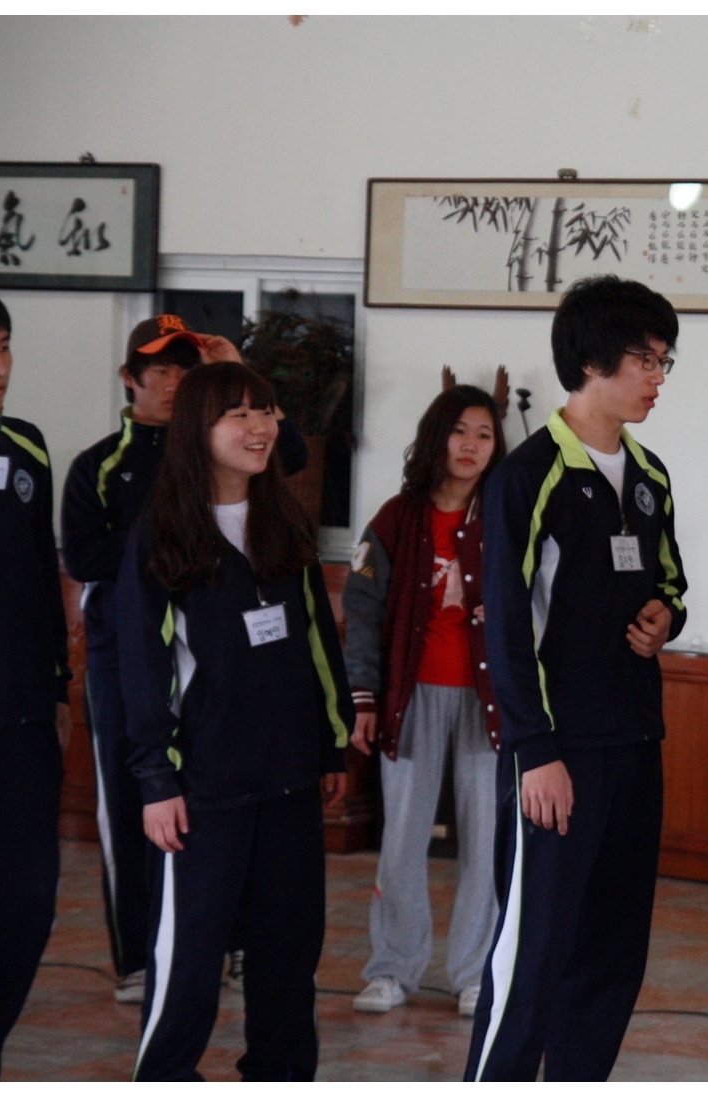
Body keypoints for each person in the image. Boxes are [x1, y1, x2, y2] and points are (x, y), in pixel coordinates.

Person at [466, 275, 688, 1082]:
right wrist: (535, 749)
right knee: (533, 955)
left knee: (613, 954)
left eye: (664, 362)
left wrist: (666, 617)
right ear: (591, 362)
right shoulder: (530, 476)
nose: (657, 378)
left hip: (635, 743)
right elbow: (504, 625)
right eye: (644, 360)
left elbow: (671, 582)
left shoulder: (650, 475)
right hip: (558, 754)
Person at [117, 362, 353, 1081]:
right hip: (204, 790)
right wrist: (157, 779)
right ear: (199, 428)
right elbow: (145, 670)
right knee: (189, 965)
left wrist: (332, 743)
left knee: (288, 960)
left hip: (287, 781)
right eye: (239, 414)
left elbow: (317, 642)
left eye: (266, 410)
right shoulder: (161, 535)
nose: (260, 427)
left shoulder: (283, 521)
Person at [62, 314, 306, 1005]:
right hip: (125, 655)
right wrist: (175, 539)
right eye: (162, 370)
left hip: (222, 653)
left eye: (187, 370)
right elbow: (83, 554)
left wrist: (239, 371)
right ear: (131, 378)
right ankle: (140, 953)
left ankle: (226, 939)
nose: (174, 383)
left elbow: (288, 456)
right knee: (137, 797)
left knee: (222, 802)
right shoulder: (101, 464)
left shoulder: (225, 446)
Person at [344, 384, 505, 1019]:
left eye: (484, 434)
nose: (470, 445)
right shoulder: (397, 518)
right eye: (459, 431)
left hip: (489, 705)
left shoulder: (507, 518)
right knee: (403, 839)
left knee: (487, 842)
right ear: (436, 438)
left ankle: (476, 975)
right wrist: (364, 699)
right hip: (411, 699)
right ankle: (391, 970)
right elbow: (362, 612)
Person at [0, 283, 73, 1081]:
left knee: (25, 905)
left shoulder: (28, 446)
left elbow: (43, 577)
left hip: (25, 719)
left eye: (4, 348)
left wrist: (60, 687)